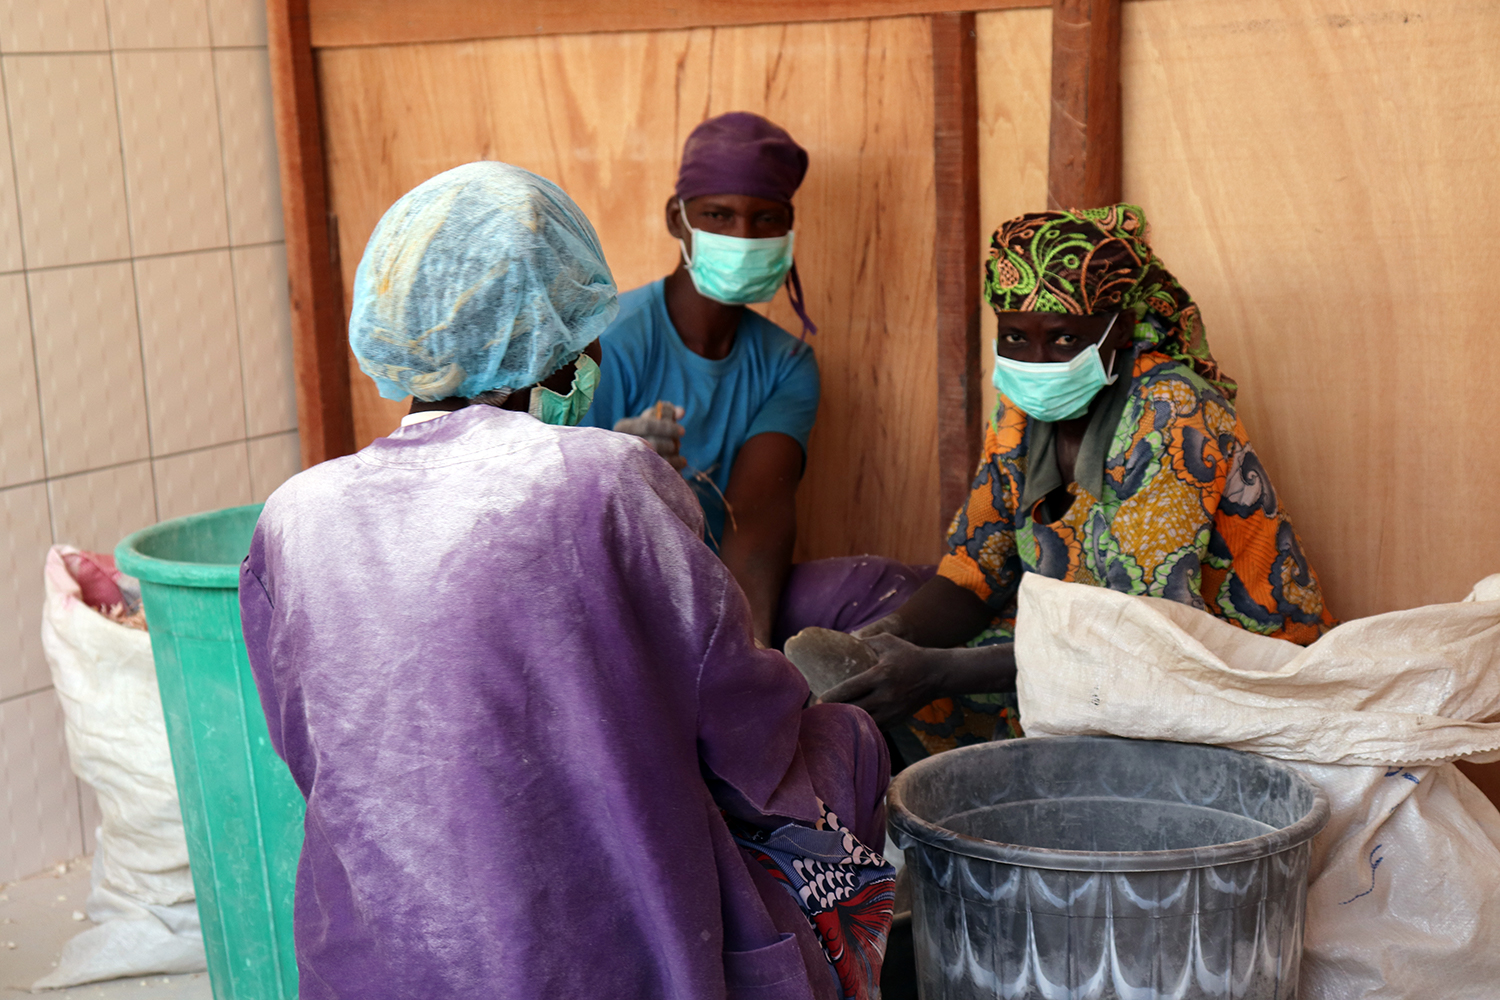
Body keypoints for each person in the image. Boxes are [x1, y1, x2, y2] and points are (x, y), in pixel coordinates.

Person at [238, 161, 893, 1000]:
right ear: (568, 336)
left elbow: (319, 753)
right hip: (590, 961)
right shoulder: (600, 483)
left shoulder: (296, 515)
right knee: (844, 749)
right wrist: (839, 733)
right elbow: (744, 735)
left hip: (374, 961)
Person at [821, 204, 1337, 765]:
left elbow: (1140, 635)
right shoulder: (1018, 413)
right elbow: (976, 574)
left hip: (1218, 671)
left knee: (970, 709)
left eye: (1065, 339)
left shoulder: (1174, 411)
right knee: (888, 708)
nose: (1037, 361)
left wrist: (941, 672)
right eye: (1015, 337)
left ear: (1118, 332)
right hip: (1090, 660)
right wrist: (884, 640)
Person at [582, 112, 928, 647]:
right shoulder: (607, 340)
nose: (743, 236)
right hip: (609, 595)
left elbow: (757, 521)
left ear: (788, 228)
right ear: (678, 220)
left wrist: (751, 659)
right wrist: (613, 463)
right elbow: (552, 520)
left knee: (892, 591)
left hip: (719, 591)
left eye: (766, 219)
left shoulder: (786, 362)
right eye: (718, 215)